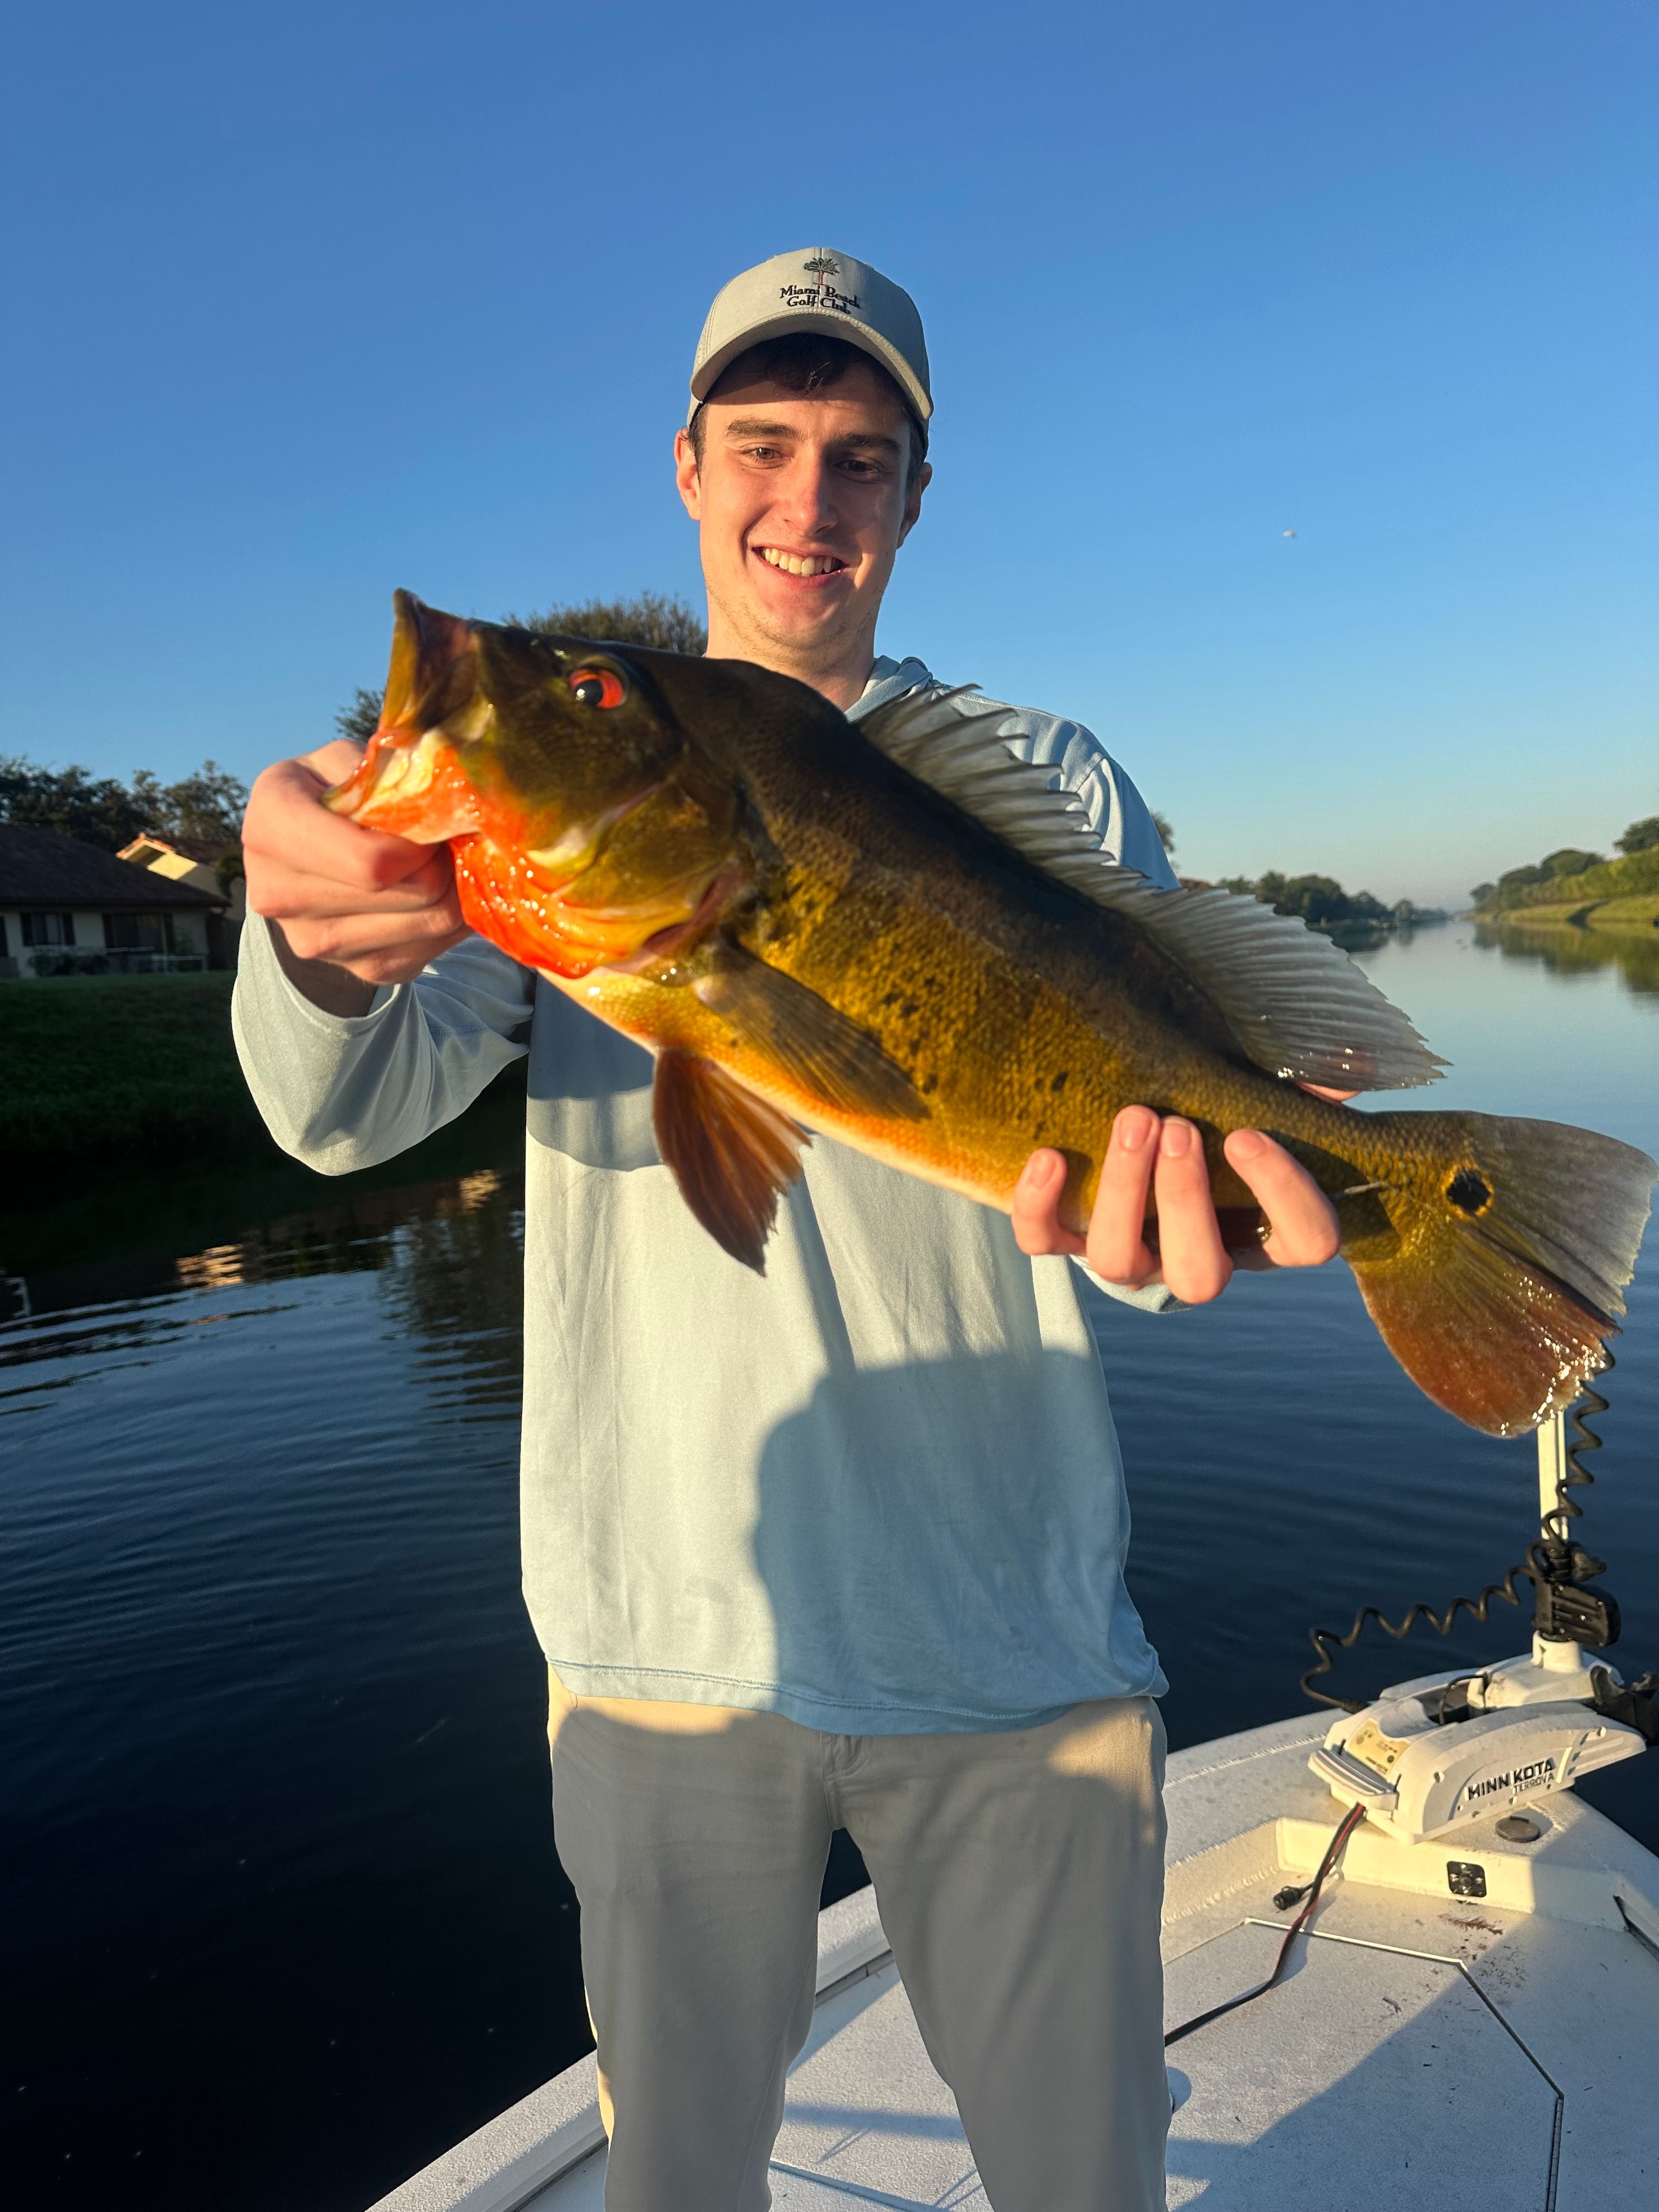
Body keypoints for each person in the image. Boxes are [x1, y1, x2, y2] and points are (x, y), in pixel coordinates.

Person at [234, 247, 1344, 2212]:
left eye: (861, 458)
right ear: (685, 467)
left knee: (1084, 2183)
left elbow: (1149, 1145)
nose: (807, 503)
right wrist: (318, 940)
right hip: (662, 1645)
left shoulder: (1057, 783)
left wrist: (1233, 1217)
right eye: (765, 445)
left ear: (918, 494)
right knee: (675, 2182)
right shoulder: (560, 827)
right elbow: (340, 1121)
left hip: (1016, 1645)